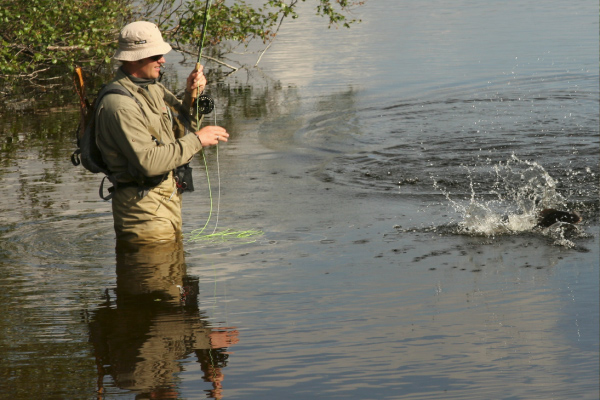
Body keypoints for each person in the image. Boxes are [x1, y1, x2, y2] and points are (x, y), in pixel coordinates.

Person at [95, 21, 229, 243]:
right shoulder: (120, 105)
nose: (162, 60)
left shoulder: (152, 88)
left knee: (174, 276)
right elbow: (148, 162)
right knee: (153, 276)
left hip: (165, 204)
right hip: (143, 215)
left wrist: (192, 94)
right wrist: (198, 140)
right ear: (135, 57)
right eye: (155, 55)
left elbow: (183, 128)